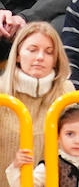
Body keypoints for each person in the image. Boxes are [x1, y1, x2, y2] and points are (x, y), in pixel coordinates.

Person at [0, 21, 73, 176]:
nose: (40, 57)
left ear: (56, 59)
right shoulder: (1, 92)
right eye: (32, 50)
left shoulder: (66, 91)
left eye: (49, 52)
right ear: (18, 55)